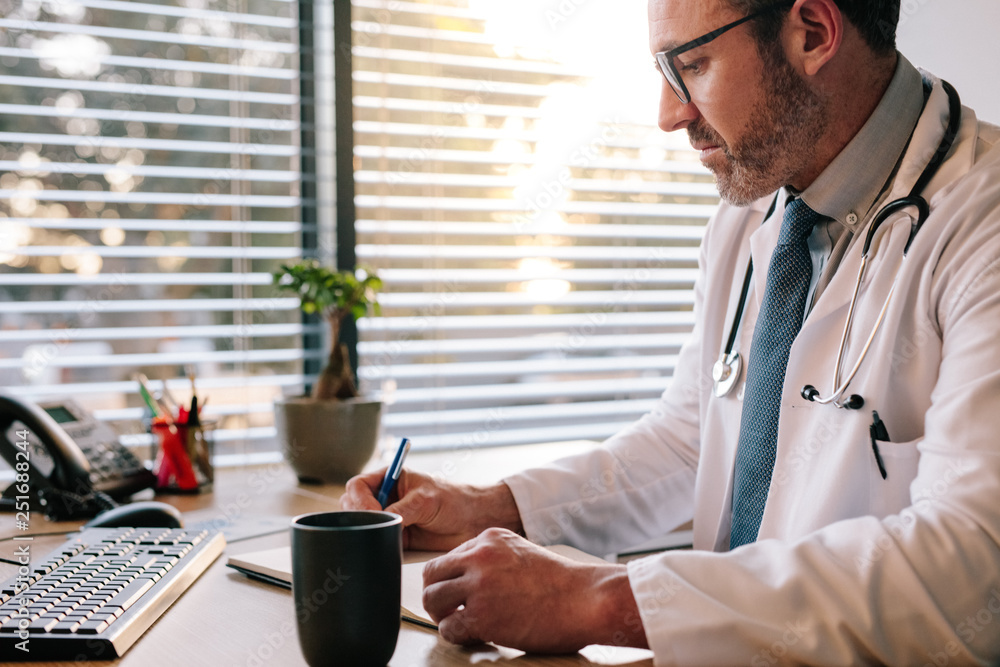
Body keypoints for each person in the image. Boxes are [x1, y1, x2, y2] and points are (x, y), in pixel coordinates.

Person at [342, 0, 1000, 662]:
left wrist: (601, 600)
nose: (668, 114)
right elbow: (690, 443)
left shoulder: (983, 225)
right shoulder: (755, 215)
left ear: (812, 32)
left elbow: (972, 572)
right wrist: (488, 506)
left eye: (692, 64)